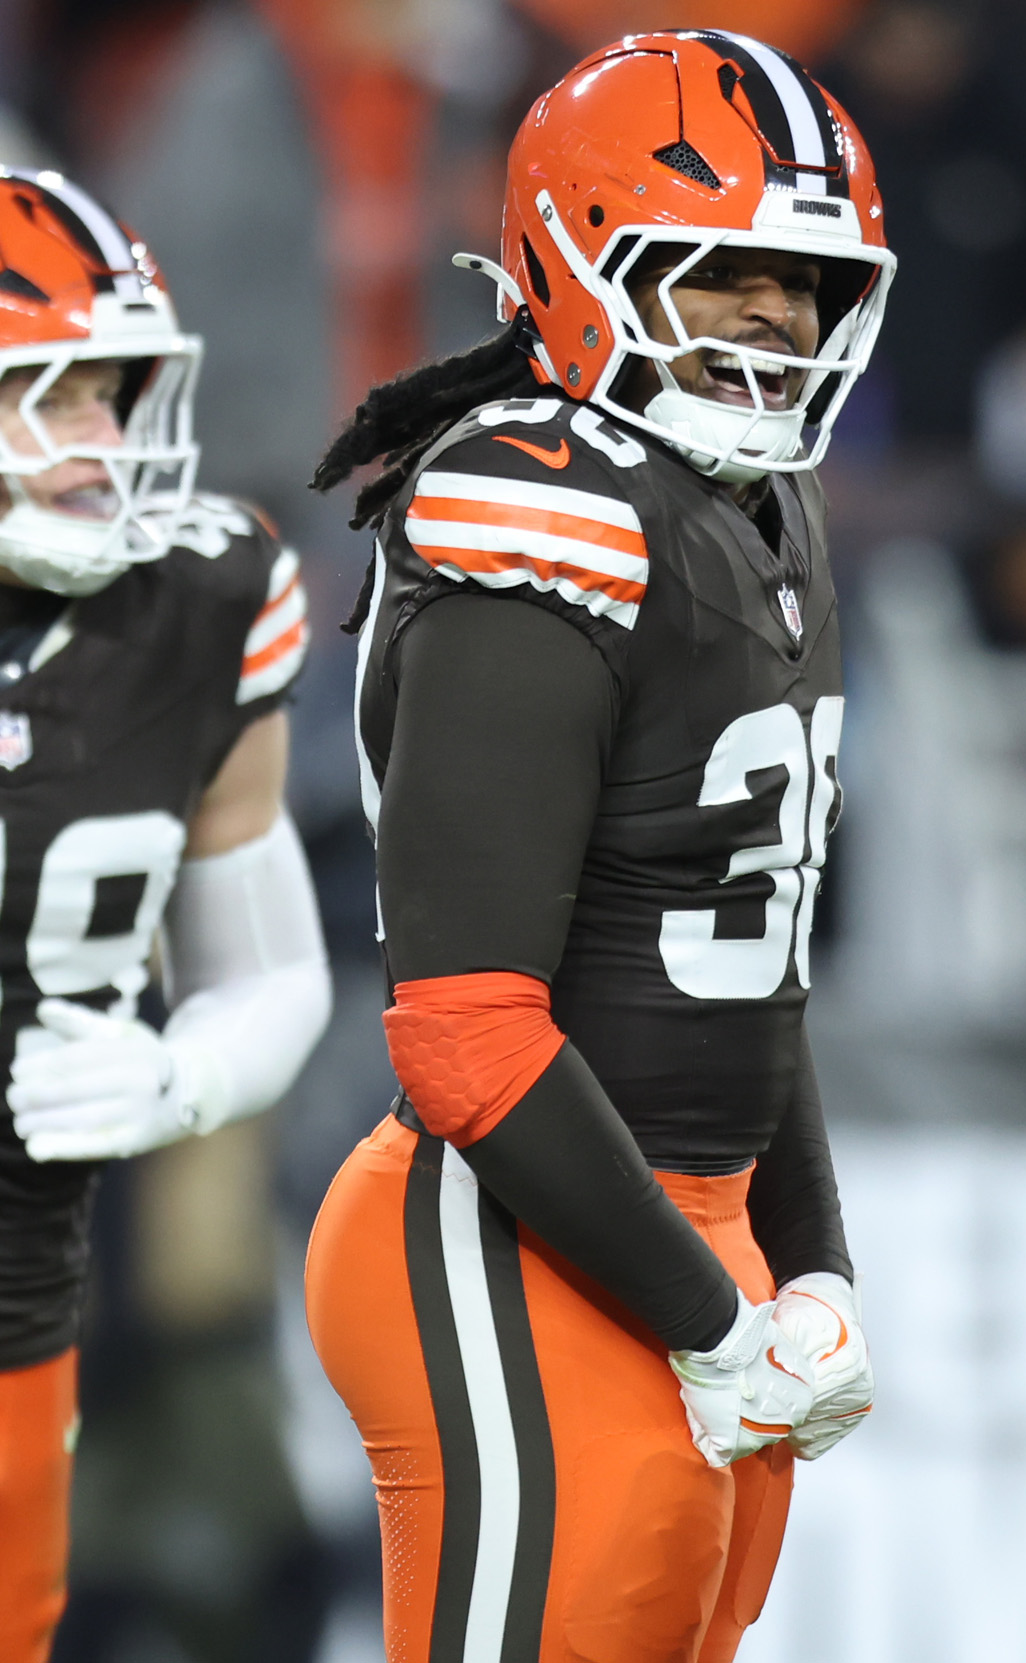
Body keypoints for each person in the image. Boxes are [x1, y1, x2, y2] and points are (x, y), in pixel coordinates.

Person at [305, 31, 890, 1663]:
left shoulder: (758, 510)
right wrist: (715, 1323)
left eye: (806, 278)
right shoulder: (535, 496)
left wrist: (808, 1263)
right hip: (521, 1232)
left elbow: (750, 962)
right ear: (583, 262)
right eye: (724, 269)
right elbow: (465, 1027)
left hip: (690, 1234)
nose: (776, 315)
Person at [0, 167, 331, 1662]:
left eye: (112, 394)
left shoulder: (200, 604)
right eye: (45, 393)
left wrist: (175, 1075)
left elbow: (270, 970)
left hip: (29, 1288)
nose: (96, 443)